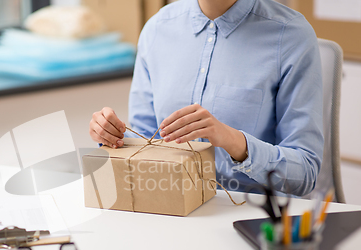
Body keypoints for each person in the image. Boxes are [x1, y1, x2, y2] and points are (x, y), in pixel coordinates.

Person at [88, 0, 323, 196]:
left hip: (249, 214)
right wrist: (112, 135)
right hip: (168, 202)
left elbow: (305, 174)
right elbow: (147, 139)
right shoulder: (157, 29)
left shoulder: (291, 35)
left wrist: (232, 140)